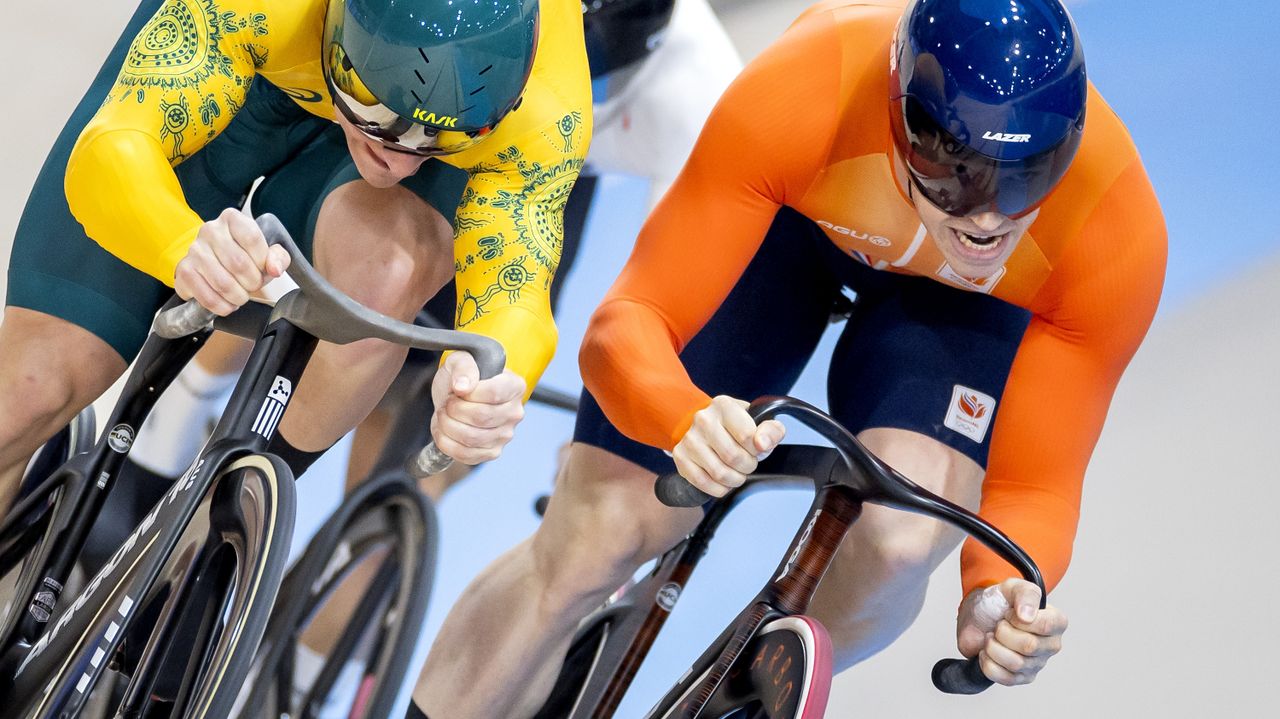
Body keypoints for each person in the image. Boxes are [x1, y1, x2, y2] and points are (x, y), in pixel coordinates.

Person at [411, 0, 1167, 716]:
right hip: (793, 228)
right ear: (899, 118)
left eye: (1028, 176)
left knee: (900, 542)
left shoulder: (1115, 227)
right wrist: (681, 417)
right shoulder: (806, 89)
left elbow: (1037, 482)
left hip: (962, 308)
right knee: (596, 537)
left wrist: (998, 588)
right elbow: (628, 325)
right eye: (957, 172)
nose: (988, 218)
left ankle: (737, 687)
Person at [0, 0, 588, 631]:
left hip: (351, 96)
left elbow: (515, 297)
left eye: (441, 142)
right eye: (381, 123)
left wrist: (495, 382)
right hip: (258, 64)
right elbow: (114, 148)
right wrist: (179, 246)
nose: (401, 162)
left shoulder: (547, 103)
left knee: (385, 277)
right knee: (29, 391)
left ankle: (222, 542)